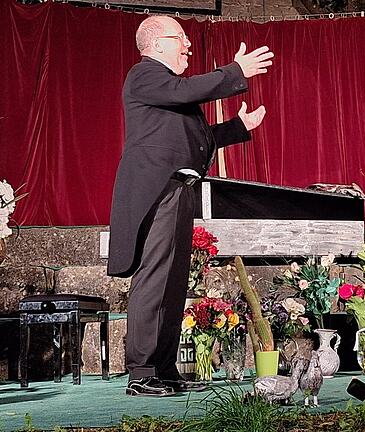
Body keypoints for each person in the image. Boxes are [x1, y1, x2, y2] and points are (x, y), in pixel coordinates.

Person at [107, 15, 274, 397]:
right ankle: (142, 371)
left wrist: (238, 128)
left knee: (174, 282)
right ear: (156, 44)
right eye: (180, 38)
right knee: (154, 281)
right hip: (157, 192)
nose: (188, 45)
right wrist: (235, 71)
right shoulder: (144, 75)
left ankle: (164, 369)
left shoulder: (168, 90)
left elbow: (193, 137)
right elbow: (186, 92)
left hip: (180, 190)